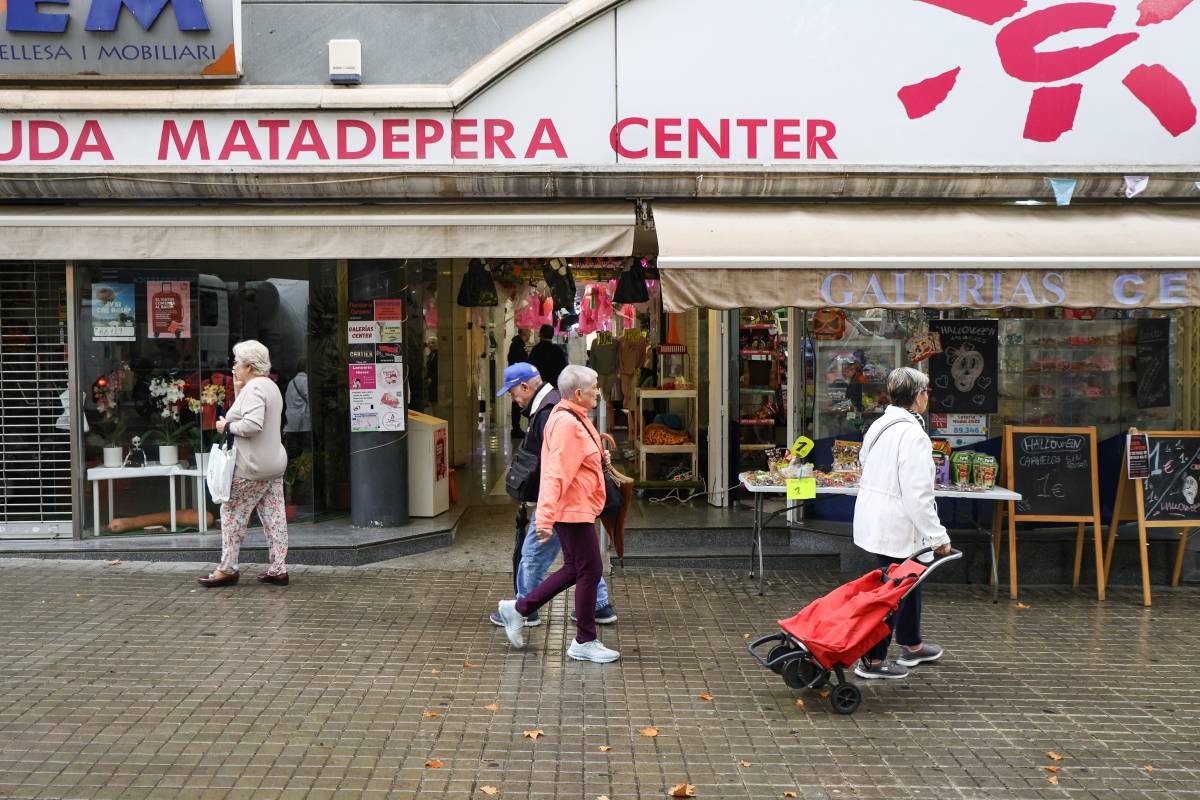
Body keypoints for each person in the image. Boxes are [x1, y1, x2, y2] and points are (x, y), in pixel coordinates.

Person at [496, 365, 625, 663]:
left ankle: (518, 609)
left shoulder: (572, 415)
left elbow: (577, 457)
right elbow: (555, 473)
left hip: (576, 507)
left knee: (575, 570)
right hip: (572, 509)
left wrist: (598, 455)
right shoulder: (566, 421)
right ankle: (584, 640)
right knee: (589, 570)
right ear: (578, 393)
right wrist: (544, 518)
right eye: (594, 386)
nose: (598, 391)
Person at [852, 366, 952, 679]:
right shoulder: (914, 436)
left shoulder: (879, 425)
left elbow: (863, 463)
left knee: (909, 582)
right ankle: (872, 660)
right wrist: (938, 537)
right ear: (917, 396)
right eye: (926, 391)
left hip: (877, 520)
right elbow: (918, 495)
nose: (928, 396)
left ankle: (911, 645)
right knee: (893, 592)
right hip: (898, 526)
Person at [199, 340, 290, 588]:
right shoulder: (269, 386)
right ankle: (279, 568)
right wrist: (239, 389)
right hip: (273, 464)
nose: (234, 366)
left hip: (251, 467)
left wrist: (225, 426)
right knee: (274, 518)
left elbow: (251, 425)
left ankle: (227, 569)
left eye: (237, 362)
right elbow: (246, 411)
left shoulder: (255, 389)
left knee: (231, 516)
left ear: (249, 366)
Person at [506, 329, 530, 437]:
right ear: (524, 333)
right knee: (517, 404)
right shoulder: (517, 345)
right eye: (529, 332)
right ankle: (515, 429)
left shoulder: (518, 345)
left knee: (517, 403)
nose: (530, 334)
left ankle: (516, 428)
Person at [528, 323, 568, 388]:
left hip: (540, 386)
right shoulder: (558, 350)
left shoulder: (536, 349)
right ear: (552, 335)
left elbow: (530, 368)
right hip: (555, 385)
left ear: (540, 334)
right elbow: (564, 367)